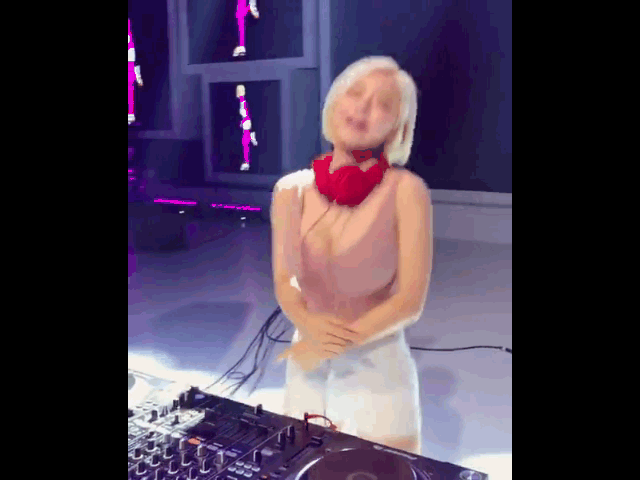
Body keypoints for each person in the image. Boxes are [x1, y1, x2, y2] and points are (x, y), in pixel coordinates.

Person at [271, 56, 433, 455]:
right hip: (307, 363)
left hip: (378, 369)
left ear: (397, 127)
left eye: (382, 104)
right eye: (355, 93)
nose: (362, 108)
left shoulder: (407, 191)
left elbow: (409, 302)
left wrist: (331, 343)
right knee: (301, 466)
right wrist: (308, 326)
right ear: (334, 101)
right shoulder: (289, 190)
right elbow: (285, 281)